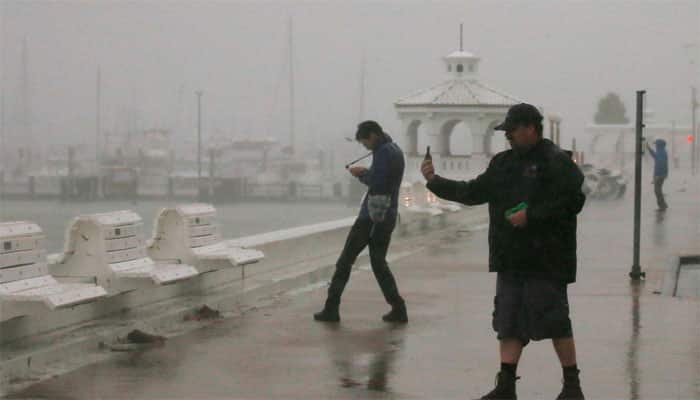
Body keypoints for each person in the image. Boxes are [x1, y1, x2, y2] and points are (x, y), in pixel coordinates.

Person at [420, 104, 586, 400]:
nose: (507, 135)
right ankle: (506, 386)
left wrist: (531, 216)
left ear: (531, 128)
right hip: (510, 258)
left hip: (547, 258)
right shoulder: (503, 163)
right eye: (505, 131)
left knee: (555, 321)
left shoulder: (556, 161)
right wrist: (435, 182)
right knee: (508, 322)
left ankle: (572, 387)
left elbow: (573, 201)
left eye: (512, 130)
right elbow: (472, 192)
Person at [314, 120, 407, 324]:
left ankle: (331, 308)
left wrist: (361, 173)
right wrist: (369, 171)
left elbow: (378, 182)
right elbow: (384, 177)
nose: (364, 146)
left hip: (371, 218)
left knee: (345, 261)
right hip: (389, 215)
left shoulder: (383, 152)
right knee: (379, 262)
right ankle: (398, 307)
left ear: (373, 135)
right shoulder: (395, 150)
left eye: (364, 142)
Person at [646, 138, 668, 211]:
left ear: (659, 145)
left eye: (656, 144)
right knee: (658, 190)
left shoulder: (661, 152)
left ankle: (662, 206)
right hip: (660, 174)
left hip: (659, 175)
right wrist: (648, 148)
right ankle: (663, 204)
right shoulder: (661, 151)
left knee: (657, 190)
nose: (655, 146)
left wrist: (657, 176)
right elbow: (654, 156)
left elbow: (660, 164)